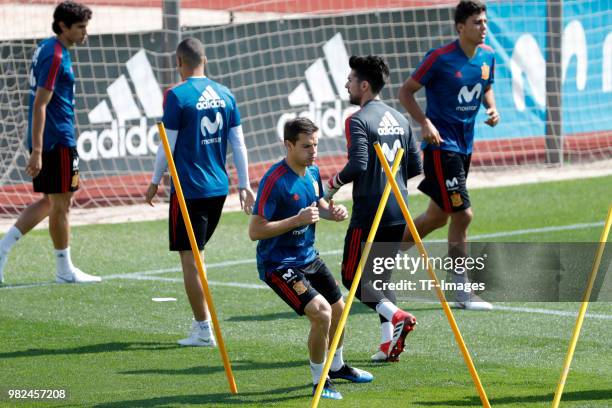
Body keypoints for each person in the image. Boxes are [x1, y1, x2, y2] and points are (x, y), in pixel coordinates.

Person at [249, 117, 373, 400]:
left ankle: (338, 366)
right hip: (279, 265)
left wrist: (333, 212)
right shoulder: (274, 181)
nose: (313, 151)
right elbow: (255, 230)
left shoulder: (313, 172)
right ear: (288, 145)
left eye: (315, 145)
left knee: (340, 309)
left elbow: (318, 206)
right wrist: (296, 220)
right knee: (321, 313)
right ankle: (320, 381)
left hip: (308, 256)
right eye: (306, 146)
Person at [145, 37, 255, 347]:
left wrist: (155, 179)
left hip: (188, 189)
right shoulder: (226, 94)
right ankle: (203, 324)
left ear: (179, 62)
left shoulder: (177, 96)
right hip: (218, 188)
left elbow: (167, 145)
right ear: (204, 60)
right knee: (198, 256)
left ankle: (203, 328)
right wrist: (244, 185)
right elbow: (239, 144)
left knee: (190, 260)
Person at [398, 0, 499, 311]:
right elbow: (406, 91)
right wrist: (425, 123)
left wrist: (492, 108)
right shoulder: (439, 59)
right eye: (477, 23)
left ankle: (378, 260)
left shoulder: (488, 57)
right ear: (460, 27)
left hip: (465, 146)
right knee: (463, 215)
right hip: (441, 147)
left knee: (437, 217)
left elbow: (485, 86)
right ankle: (461, 290)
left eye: (484, 22)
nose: (483, 28)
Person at [324, 55, 422, 363]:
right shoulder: (401, 118)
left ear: (364, 86)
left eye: (351, 80)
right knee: (379, 280)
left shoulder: (358, 120)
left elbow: (359, 164)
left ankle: (396, 315)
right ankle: (387, 344)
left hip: (369, 211)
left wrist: (333, 184)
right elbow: (416, 166)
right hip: (399, 208)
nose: (347, 85)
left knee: (352, 277)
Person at [0, 1, 98, 285]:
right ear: (63, 26)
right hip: (56, 140)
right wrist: (38, 151)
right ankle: (64, 270)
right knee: (62, 204)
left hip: (52, 139)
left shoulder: (48, 48)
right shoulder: (55, 56)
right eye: (80, 27)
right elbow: (40, 105)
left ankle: (3, 249)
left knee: (50, 201)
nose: (84, 33)